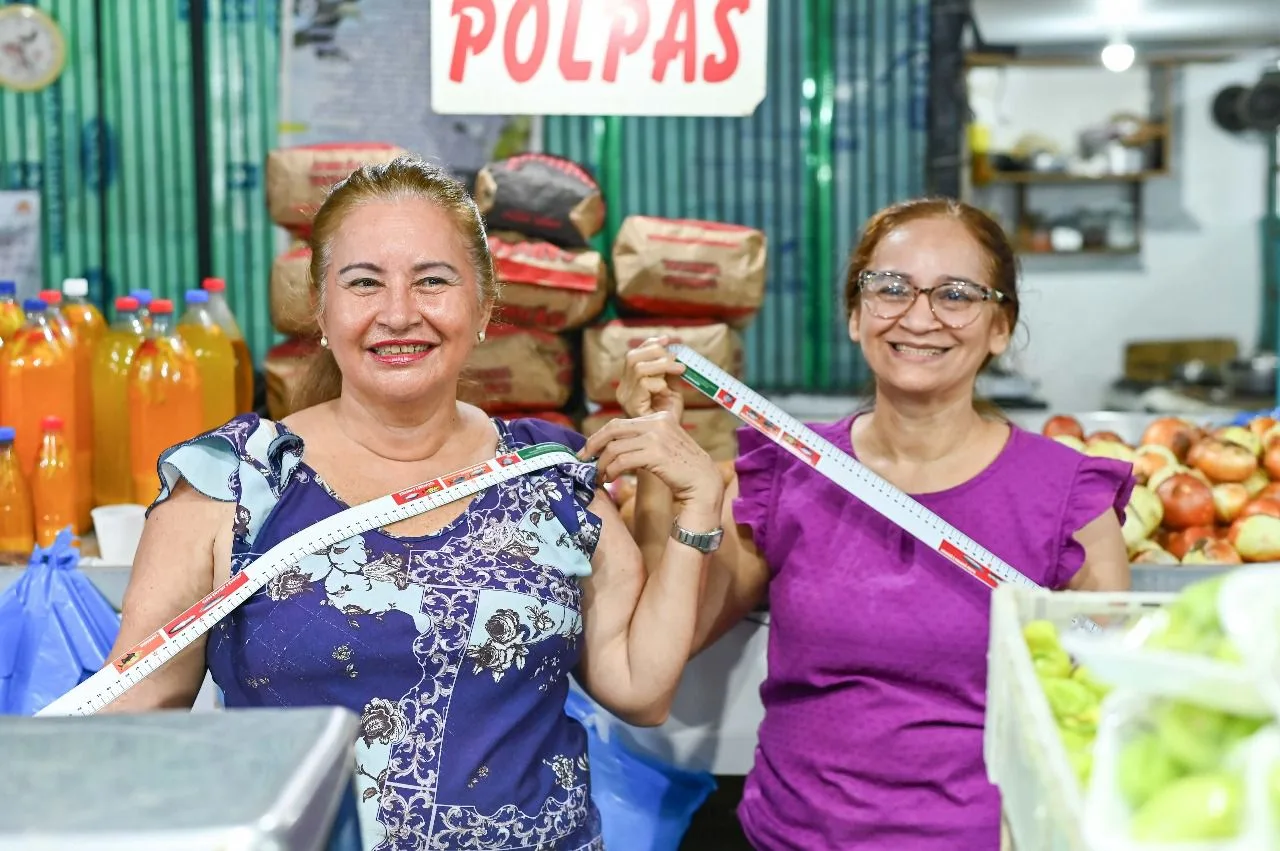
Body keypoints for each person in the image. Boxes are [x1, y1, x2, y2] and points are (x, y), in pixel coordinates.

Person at [101, 157, 726, 851]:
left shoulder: (548, 474)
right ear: (321, 307)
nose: (399, 313)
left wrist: (696, 505)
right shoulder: (234, 480)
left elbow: (640, 684)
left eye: (433, 280)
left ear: (485, 303)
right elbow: (134, 711)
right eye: (364, 282)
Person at [603, 198, 1134, 850]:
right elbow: (668, 640)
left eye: (957, 294)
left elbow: (1113, 715)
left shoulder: (1069, 498)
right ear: (856, 315)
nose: (918, 316)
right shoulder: (786, 469)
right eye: (890, 287)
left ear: (1001, 326)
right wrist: (662, 456)